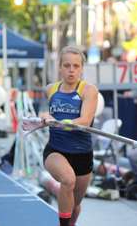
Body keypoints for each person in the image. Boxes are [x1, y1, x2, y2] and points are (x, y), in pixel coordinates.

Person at [40, 46, 98, 226]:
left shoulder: (89, 90)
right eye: (67, 65)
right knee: (67, 180)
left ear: (81, 68)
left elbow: (86, 120)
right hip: (56, 150)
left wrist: (66, 123)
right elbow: (42, 113)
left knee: (75, 204)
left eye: (75, 66)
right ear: (60, 67)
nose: (71, 70)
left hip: (82, 153)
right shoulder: (51, 89)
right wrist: (45, 117)